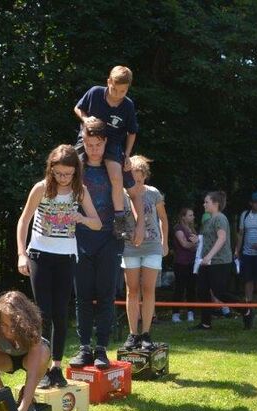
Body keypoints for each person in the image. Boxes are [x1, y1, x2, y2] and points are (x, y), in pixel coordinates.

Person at [17, 144, 101, 388]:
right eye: (58, 173)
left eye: (68, 174)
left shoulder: (80, 191)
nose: (63, 178)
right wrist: (22, 254)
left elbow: (96, 223)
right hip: (39, 254)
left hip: (66, 257)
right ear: (50, 169)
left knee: (60, 314)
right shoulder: (41, 188)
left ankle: (55, 368)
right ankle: (40, 368)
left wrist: (82, 219)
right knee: (42, 313)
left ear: (76, 171)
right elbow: (24, 222)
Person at [68, 118, 120, 369]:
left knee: (106, 296)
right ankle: (84, 348)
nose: (94, 149)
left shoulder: (114, 167)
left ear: (105, 142)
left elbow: (133, 191)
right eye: (89, 144)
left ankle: (101, 348)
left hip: (109, 238)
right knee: (82, 297)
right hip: (80, 238)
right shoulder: (75, 169)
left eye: (98, 144)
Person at [74, 65, 144, 245]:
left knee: (116, 175)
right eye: (115, 89)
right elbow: (78, 108)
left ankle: (119, 220)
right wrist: (85, 119)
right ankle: (71, 207)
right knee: (73, 168)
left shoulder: (127, 105)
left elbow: (132, 132)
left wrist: (127, 155)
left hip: (112, 143)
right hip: (89, 138)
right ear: (108, 82)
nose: (118, 94)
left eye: (123, 91)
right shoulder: (95, 93)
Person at [121, 155, 169, 350]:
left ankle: (146, 333)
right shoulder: (122, 193)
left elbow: (163, 219)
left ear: (145, 176)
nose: (136, 182)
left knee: (148, 289)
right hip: (129, 246)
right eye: (133, 177)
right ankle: (133, 334)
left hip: (152, 246)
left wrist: (164, 243)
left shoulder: (153, 193)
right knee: (132, 289)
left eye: (140, 178)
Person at [193, 191, 247, 330]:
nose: (204, 204)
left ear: (215, 204)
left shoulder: (220, 218)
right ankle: (206, 323)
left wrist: (209, 256)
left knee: (220, 293)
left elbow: (221, 238)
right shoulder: (209, 219)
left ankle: (246, 310)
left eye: (207, 202)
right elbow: (208, 239)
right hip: (207, 262)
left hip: (220, 262)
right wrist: (197, 240)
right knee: (202, 291)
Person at [234, 192, 257, 306]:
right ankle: (248, 303)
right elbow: (241, 233)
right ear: (251, 203)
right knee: (248, 279)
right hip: (247, 253)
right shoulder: (245, 215)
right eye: (256, 202)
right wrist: (237, 250)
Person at [171, 206, 198, 323]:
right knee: (179, 288)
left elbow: (195, 245)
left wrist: (196, 244)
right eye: (190, 215)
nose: (193, 217)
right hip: (181, 263)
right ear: (183, 217)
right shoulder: (178, 228)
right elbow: (184, 244)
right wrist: (196, 243)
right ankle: (175, 314)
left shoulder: (192, 229)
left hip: (192, 262)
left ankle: (191, 312)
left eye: (193, 215)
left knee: (191, 288)